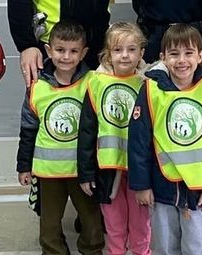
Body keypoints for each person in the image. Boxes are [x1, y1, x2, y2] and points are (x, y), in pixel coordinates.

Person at [128, 24, 202, 255]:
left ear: (200, 56)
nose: (182, 60)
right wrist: (141, 185)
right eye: (174, 54)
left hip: (196, 188)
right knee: (165, 246)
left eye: (189, 53)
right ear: (163, 57)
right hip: (161, 185)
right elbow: (139, 142)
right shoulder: (151, 90)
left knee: (196, 246)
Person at [16, 21, 104, 255]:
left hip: (83, 171)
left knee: (92, 221)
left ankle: (92, 251)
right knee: (49, 224)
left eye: (74, 51)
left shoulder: (93, 81)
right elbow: (28, 130)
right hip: (48, 173)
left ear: (83, 53)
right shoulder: (36, 87)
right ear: (48, 50)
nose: (66, 56)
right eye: (60, 50)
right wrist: (24, 166)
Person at [78, 22, 151, 255]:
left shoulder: (149, 84)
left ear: (141, 53)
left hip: (139, 170)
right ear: (108, 54)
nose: (125, 55)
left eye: (131, 49)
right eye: (118, 50)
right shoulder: (96, 83)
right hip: (107, 170)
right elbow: (87, 131)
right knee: (114, 226)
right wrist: (86, 173)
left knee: (141, 227)